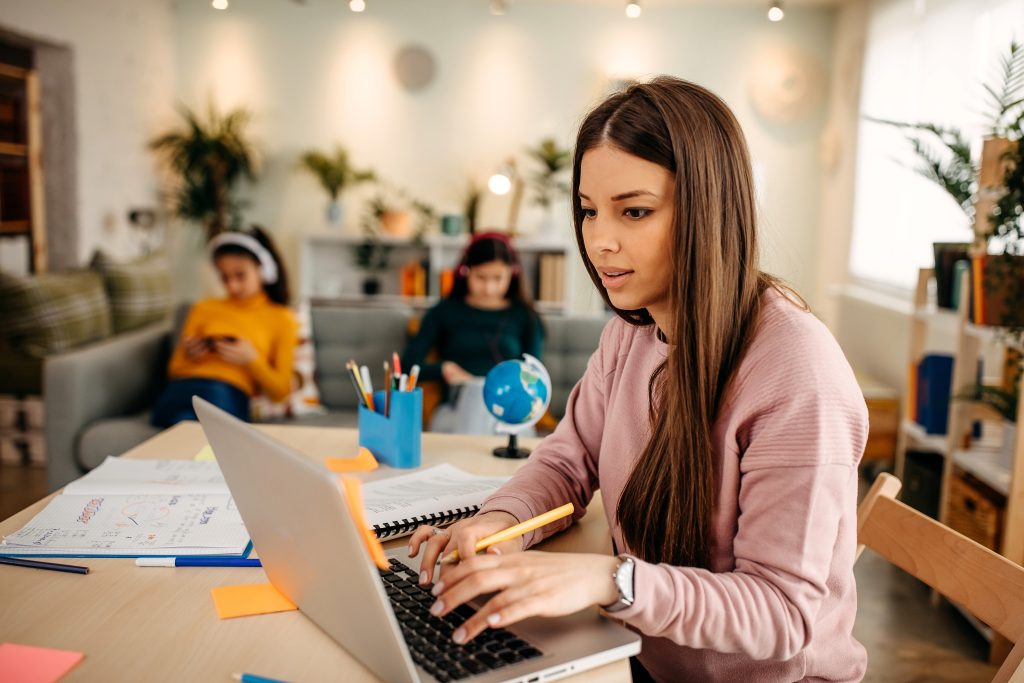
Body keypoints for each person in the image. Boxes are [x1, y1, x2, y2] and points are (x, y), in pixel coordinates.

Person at [408, 77, 868, 682]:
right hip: (641, 655)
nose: (600, 241)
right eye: (588, 211)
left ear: (708, 209)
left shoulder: (797, 371)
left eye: (634, 211)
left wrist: (611, 579)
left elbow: (781, 613)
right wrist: (502, 524)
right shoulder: (633, 331)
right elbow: (569, 459)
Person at [151, 226, 298, 427]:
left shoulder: (282, 318)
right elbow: (173, 369)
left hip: (227, 392)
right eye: (224, 277)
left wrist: (252, 360)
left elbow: (280, 392)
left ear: (263, 270)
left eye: (240, 275)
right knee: (186, 421)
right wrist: (189, 354)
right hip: (183, 388)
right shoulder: (203, 307)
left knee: (194, 424)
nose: (232, 286)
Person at [401, 232, 544, 434]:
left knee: (490, 397)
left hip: (509, 406)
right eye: (481, 277)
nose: (489, 288)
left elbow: (534, 373)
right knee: (477, 394)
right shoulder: (444, 311)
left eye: (498, 278)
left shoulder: (526, 316)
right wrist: (444, 368)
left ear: (512, 273)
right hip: (456, 405)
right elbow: (407, 367)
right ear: (465, 272)